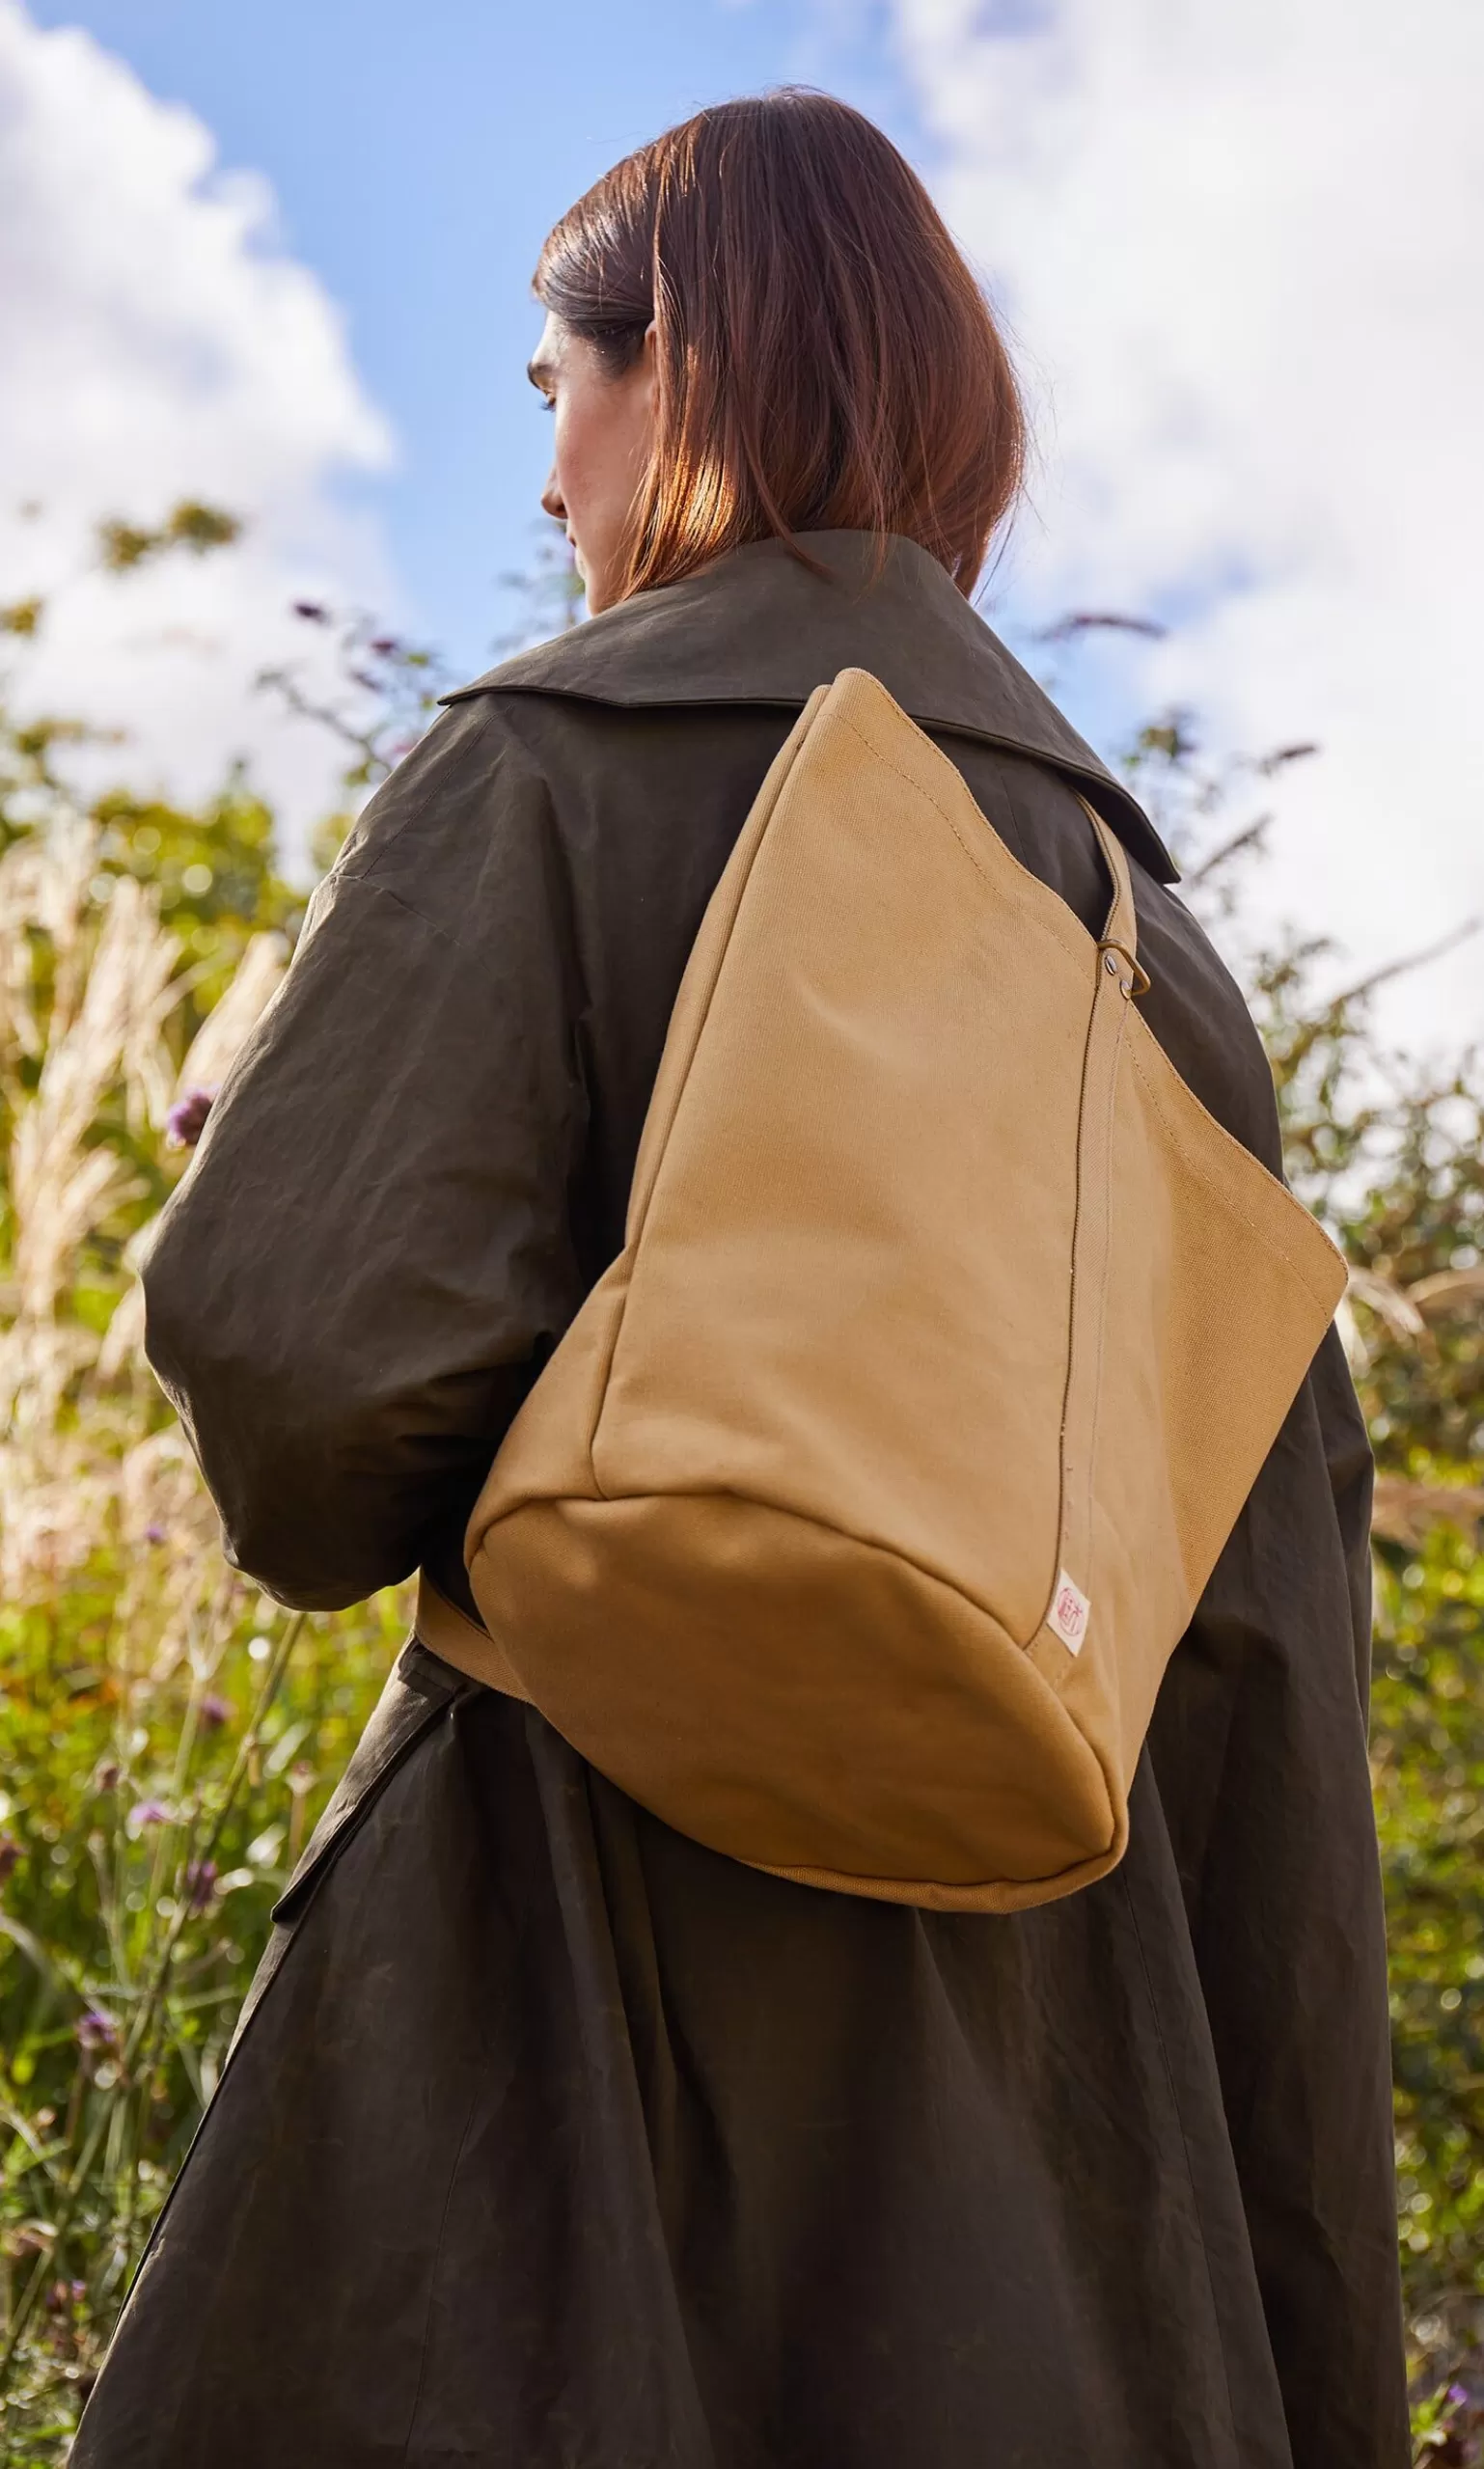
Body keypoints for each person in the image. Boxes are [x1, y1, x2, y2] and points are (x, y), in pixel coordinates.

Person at [74, 89, 1409, 2469]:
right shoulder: (1170, 984)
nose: (547, 480)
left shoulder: (550, 765)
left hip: (535, 2122)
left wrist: (279, 1121)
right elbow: (1270, 1730)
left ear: (670, 365)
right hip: (1069, 2234)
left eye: (553, 394)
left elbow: (306, 1402)